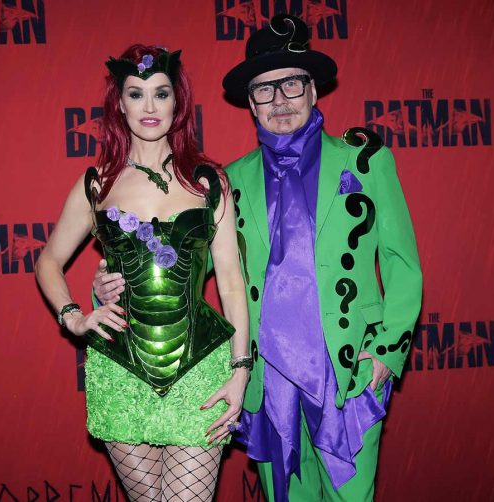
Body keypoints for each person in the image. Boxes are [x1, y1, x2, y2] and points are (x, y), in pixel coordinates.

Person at [96, 16, 423, 501]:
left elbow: (402, 263)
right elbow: (182, 268)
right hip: (269, 381)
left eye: (291, 84)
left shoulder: (365, 162)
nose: (280, 100)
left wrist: (386, 353)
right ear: (251, 103)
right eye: (265, 90)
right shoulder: (225, 182)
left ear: (313, 90)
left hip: (348, 370)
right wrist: (111, 282)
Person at [35, 44, 251, 502]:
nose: (149, 107)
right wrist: (74, 317)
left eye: (161, 93)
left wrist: (240, 370)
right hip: (121, 370)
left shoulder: (209, 182)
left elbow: (232, 284)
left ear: (177, 102)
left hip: (200, 371)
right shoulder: (98, 182)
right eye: (136, 94)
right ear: (120, 103)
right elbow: (48, 261)